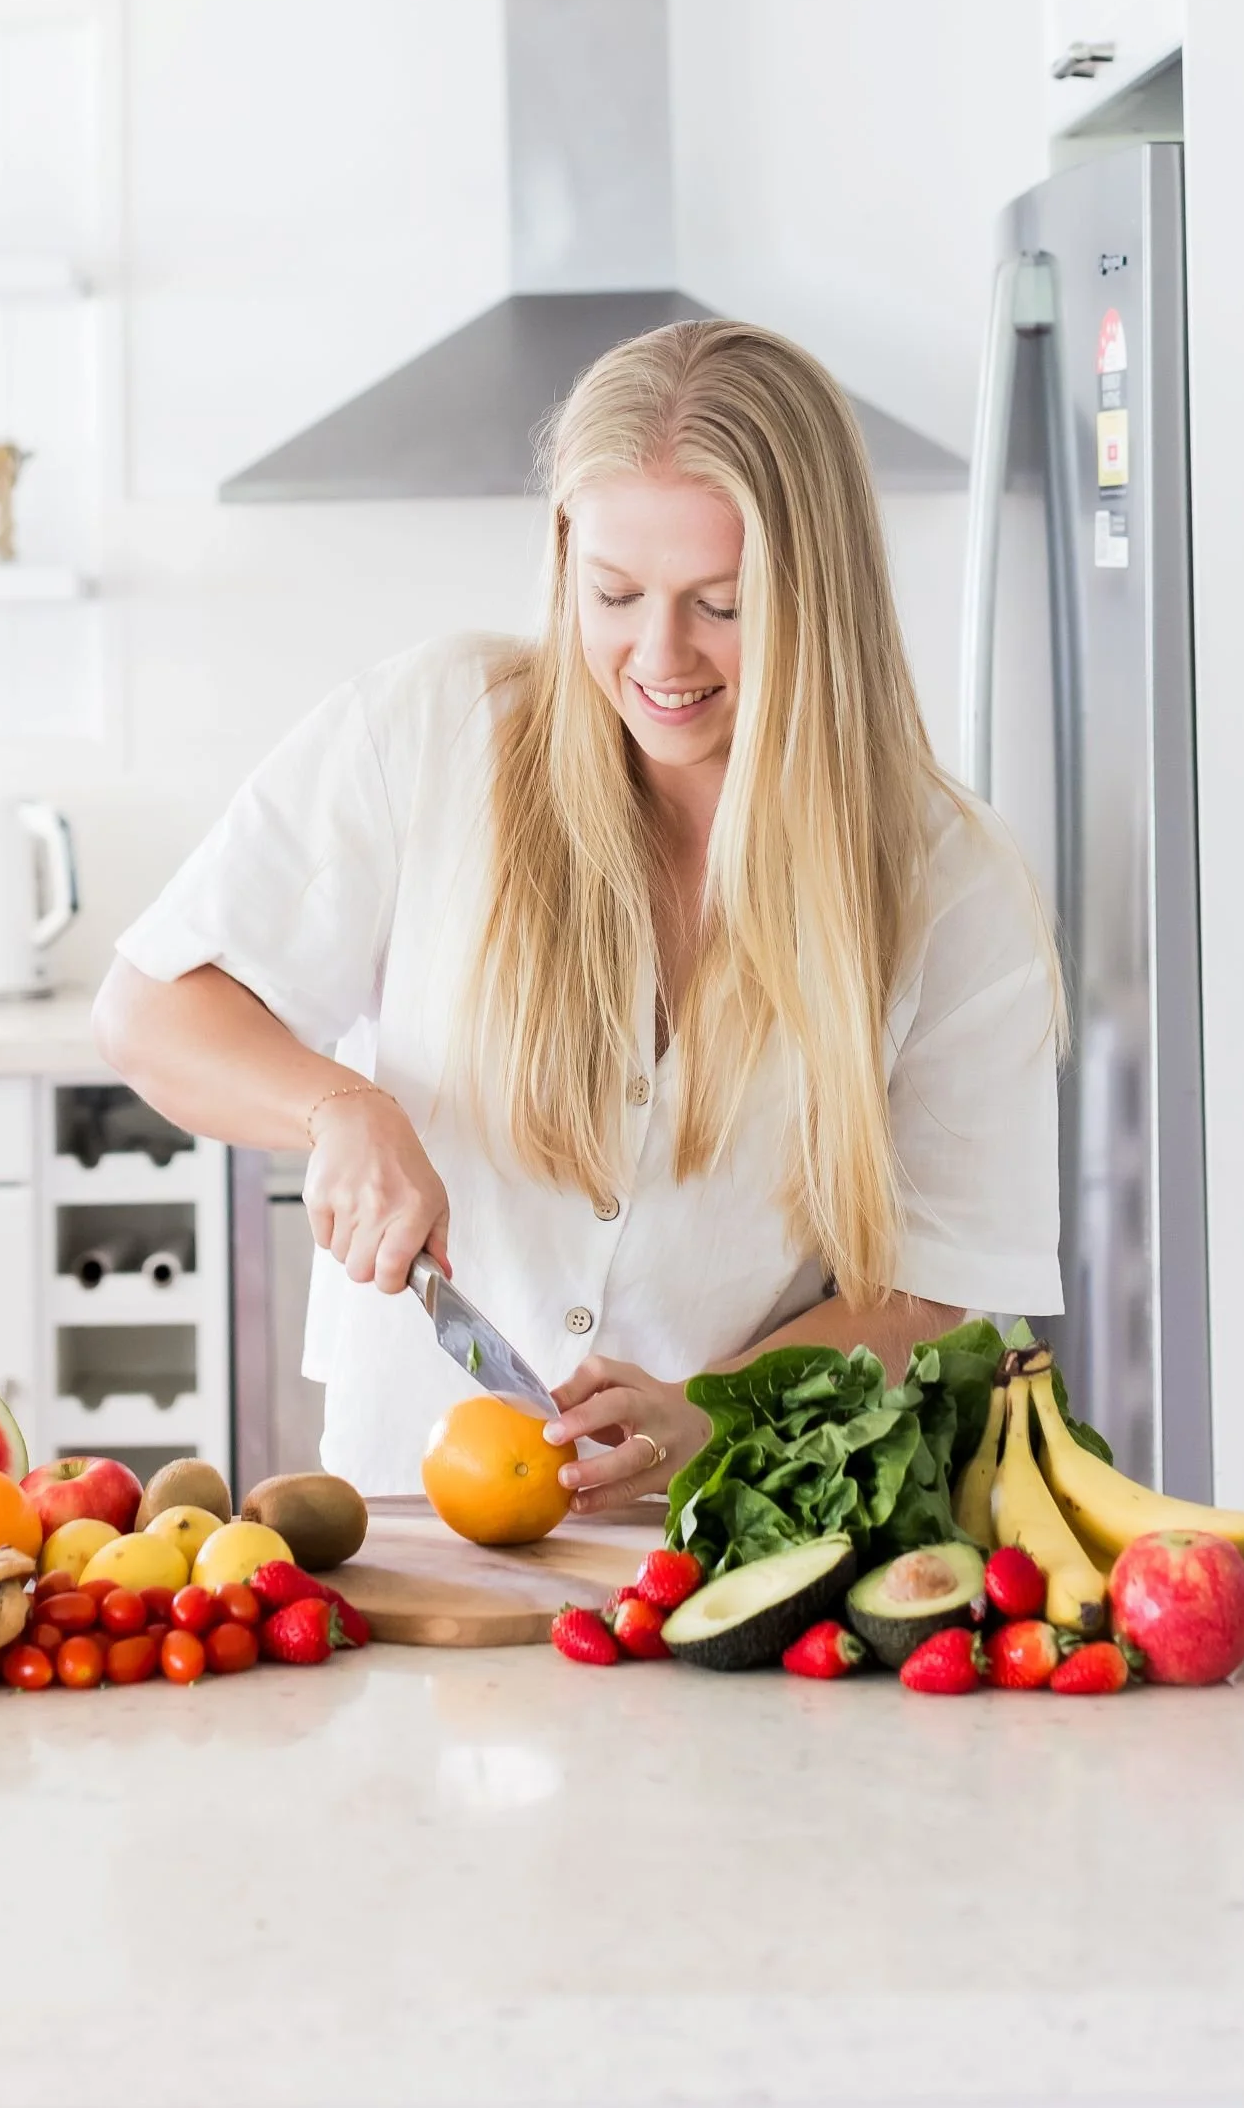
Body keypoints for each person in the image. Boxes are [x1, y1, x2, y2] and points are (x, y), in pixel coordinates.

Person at [95, 321, 1061, 1514]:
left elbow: (937, 1289)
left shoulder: (949, 878)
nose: (661, 655)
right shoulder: (435, 729)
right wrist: (334, 1105)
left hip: (738, 1529)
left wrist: (712, 1411)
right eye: (613, 592)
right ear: (564, 561)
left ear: (823, 599)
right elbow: (149, 1008)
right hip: (413, 1518)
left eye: (722, 603)